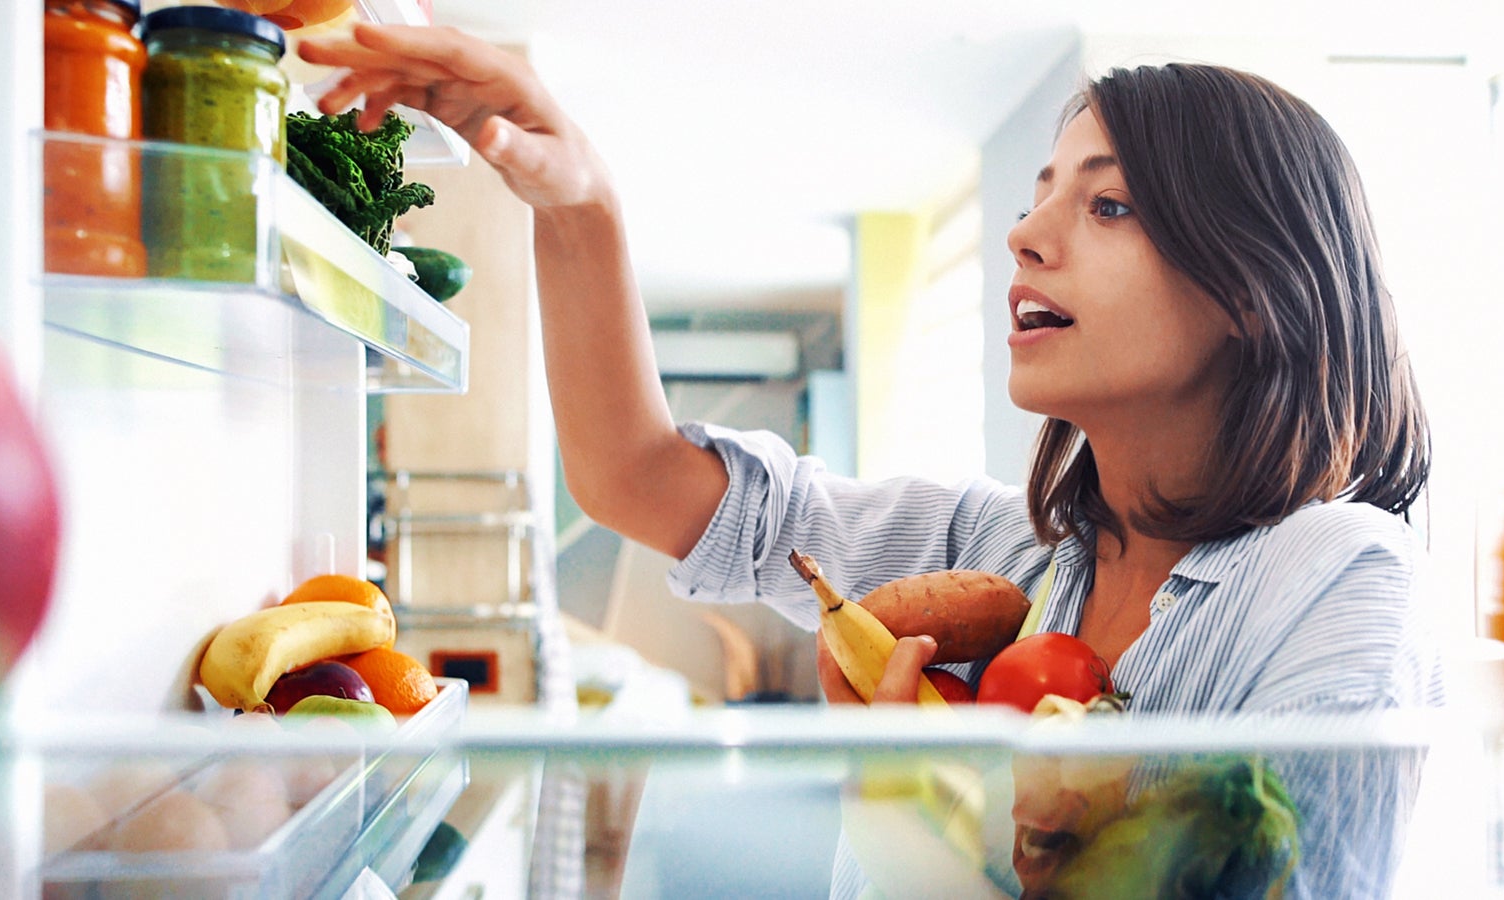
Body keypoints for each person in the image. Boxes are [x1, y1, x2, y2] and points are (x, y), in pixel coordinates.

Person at [299, 24, 1442, 899]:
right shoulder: (994, 554)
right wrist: (577, 198)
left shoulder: (1338, 581)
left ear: (1252, 287)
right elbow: (636, 477)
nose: (1025, 233)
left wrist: (914, 802)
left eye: (1107, 204)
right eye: (1041, 189)